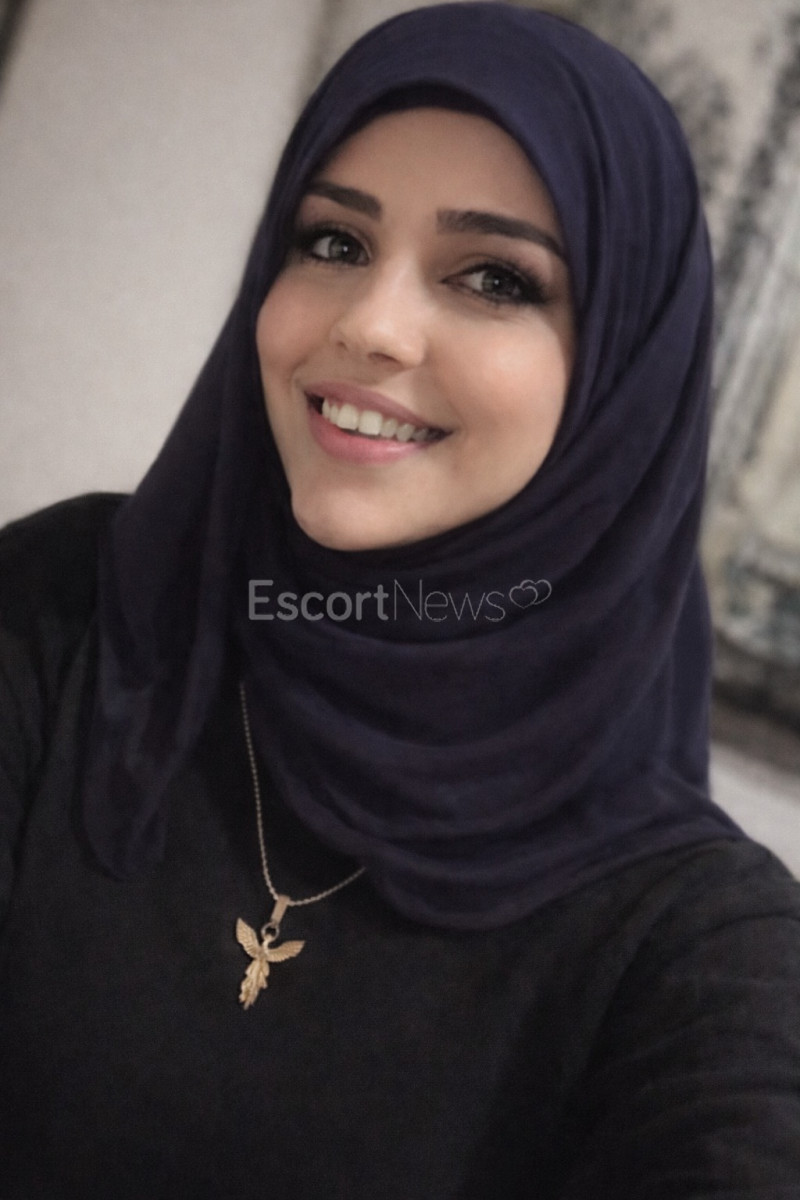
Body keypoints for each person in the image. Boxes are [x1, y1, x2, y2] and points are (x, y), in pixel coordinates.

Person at [1, 3, 799, 1196]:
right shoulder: (73, 610)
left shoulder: (694, 948)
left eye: (492, 276)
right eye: (331, 241)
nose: (369, 325)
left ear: (621, 381)